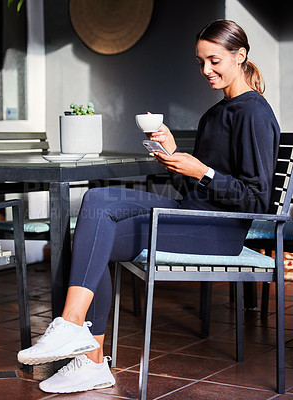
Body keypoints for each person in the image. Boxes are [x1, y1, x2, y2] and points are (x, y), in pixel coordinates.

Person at [17, 19, 280, 394]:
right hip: (191, 214)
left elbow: (256, 201)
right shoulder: (213, 115)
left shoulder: (254, 113)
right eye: (200, 61)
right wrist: (172, 157)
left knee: (97, 208)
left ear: (240, 56)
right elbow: (190, 187)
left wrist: (202, 170)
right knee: (95, 216)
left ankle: (73, 328)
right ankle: (88, 358)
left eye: (214, 60)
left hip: (219, 231)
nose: (206, 70)